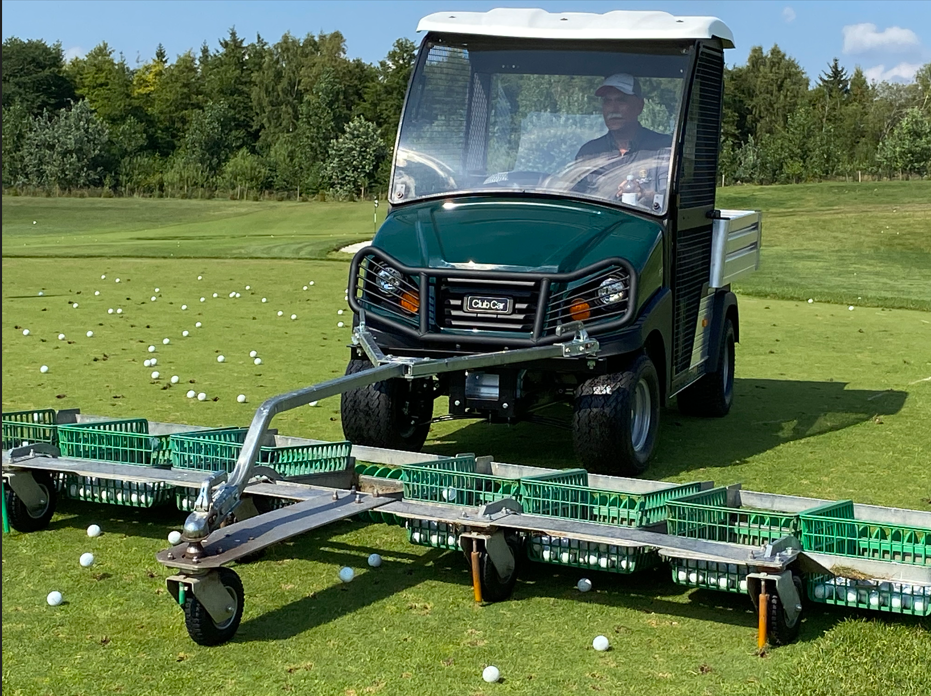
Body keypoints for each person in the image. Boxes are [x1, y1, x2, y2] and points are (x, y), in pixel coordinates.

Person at [574, 73, 671, 209]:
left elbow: (674, 201)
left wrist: (646, 195)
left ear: (639, 106)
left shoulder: (664, 149)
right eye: (607, 101)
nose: (613, 109)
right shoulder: (589, 153)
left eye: (621, 100)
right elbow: (575, 201)